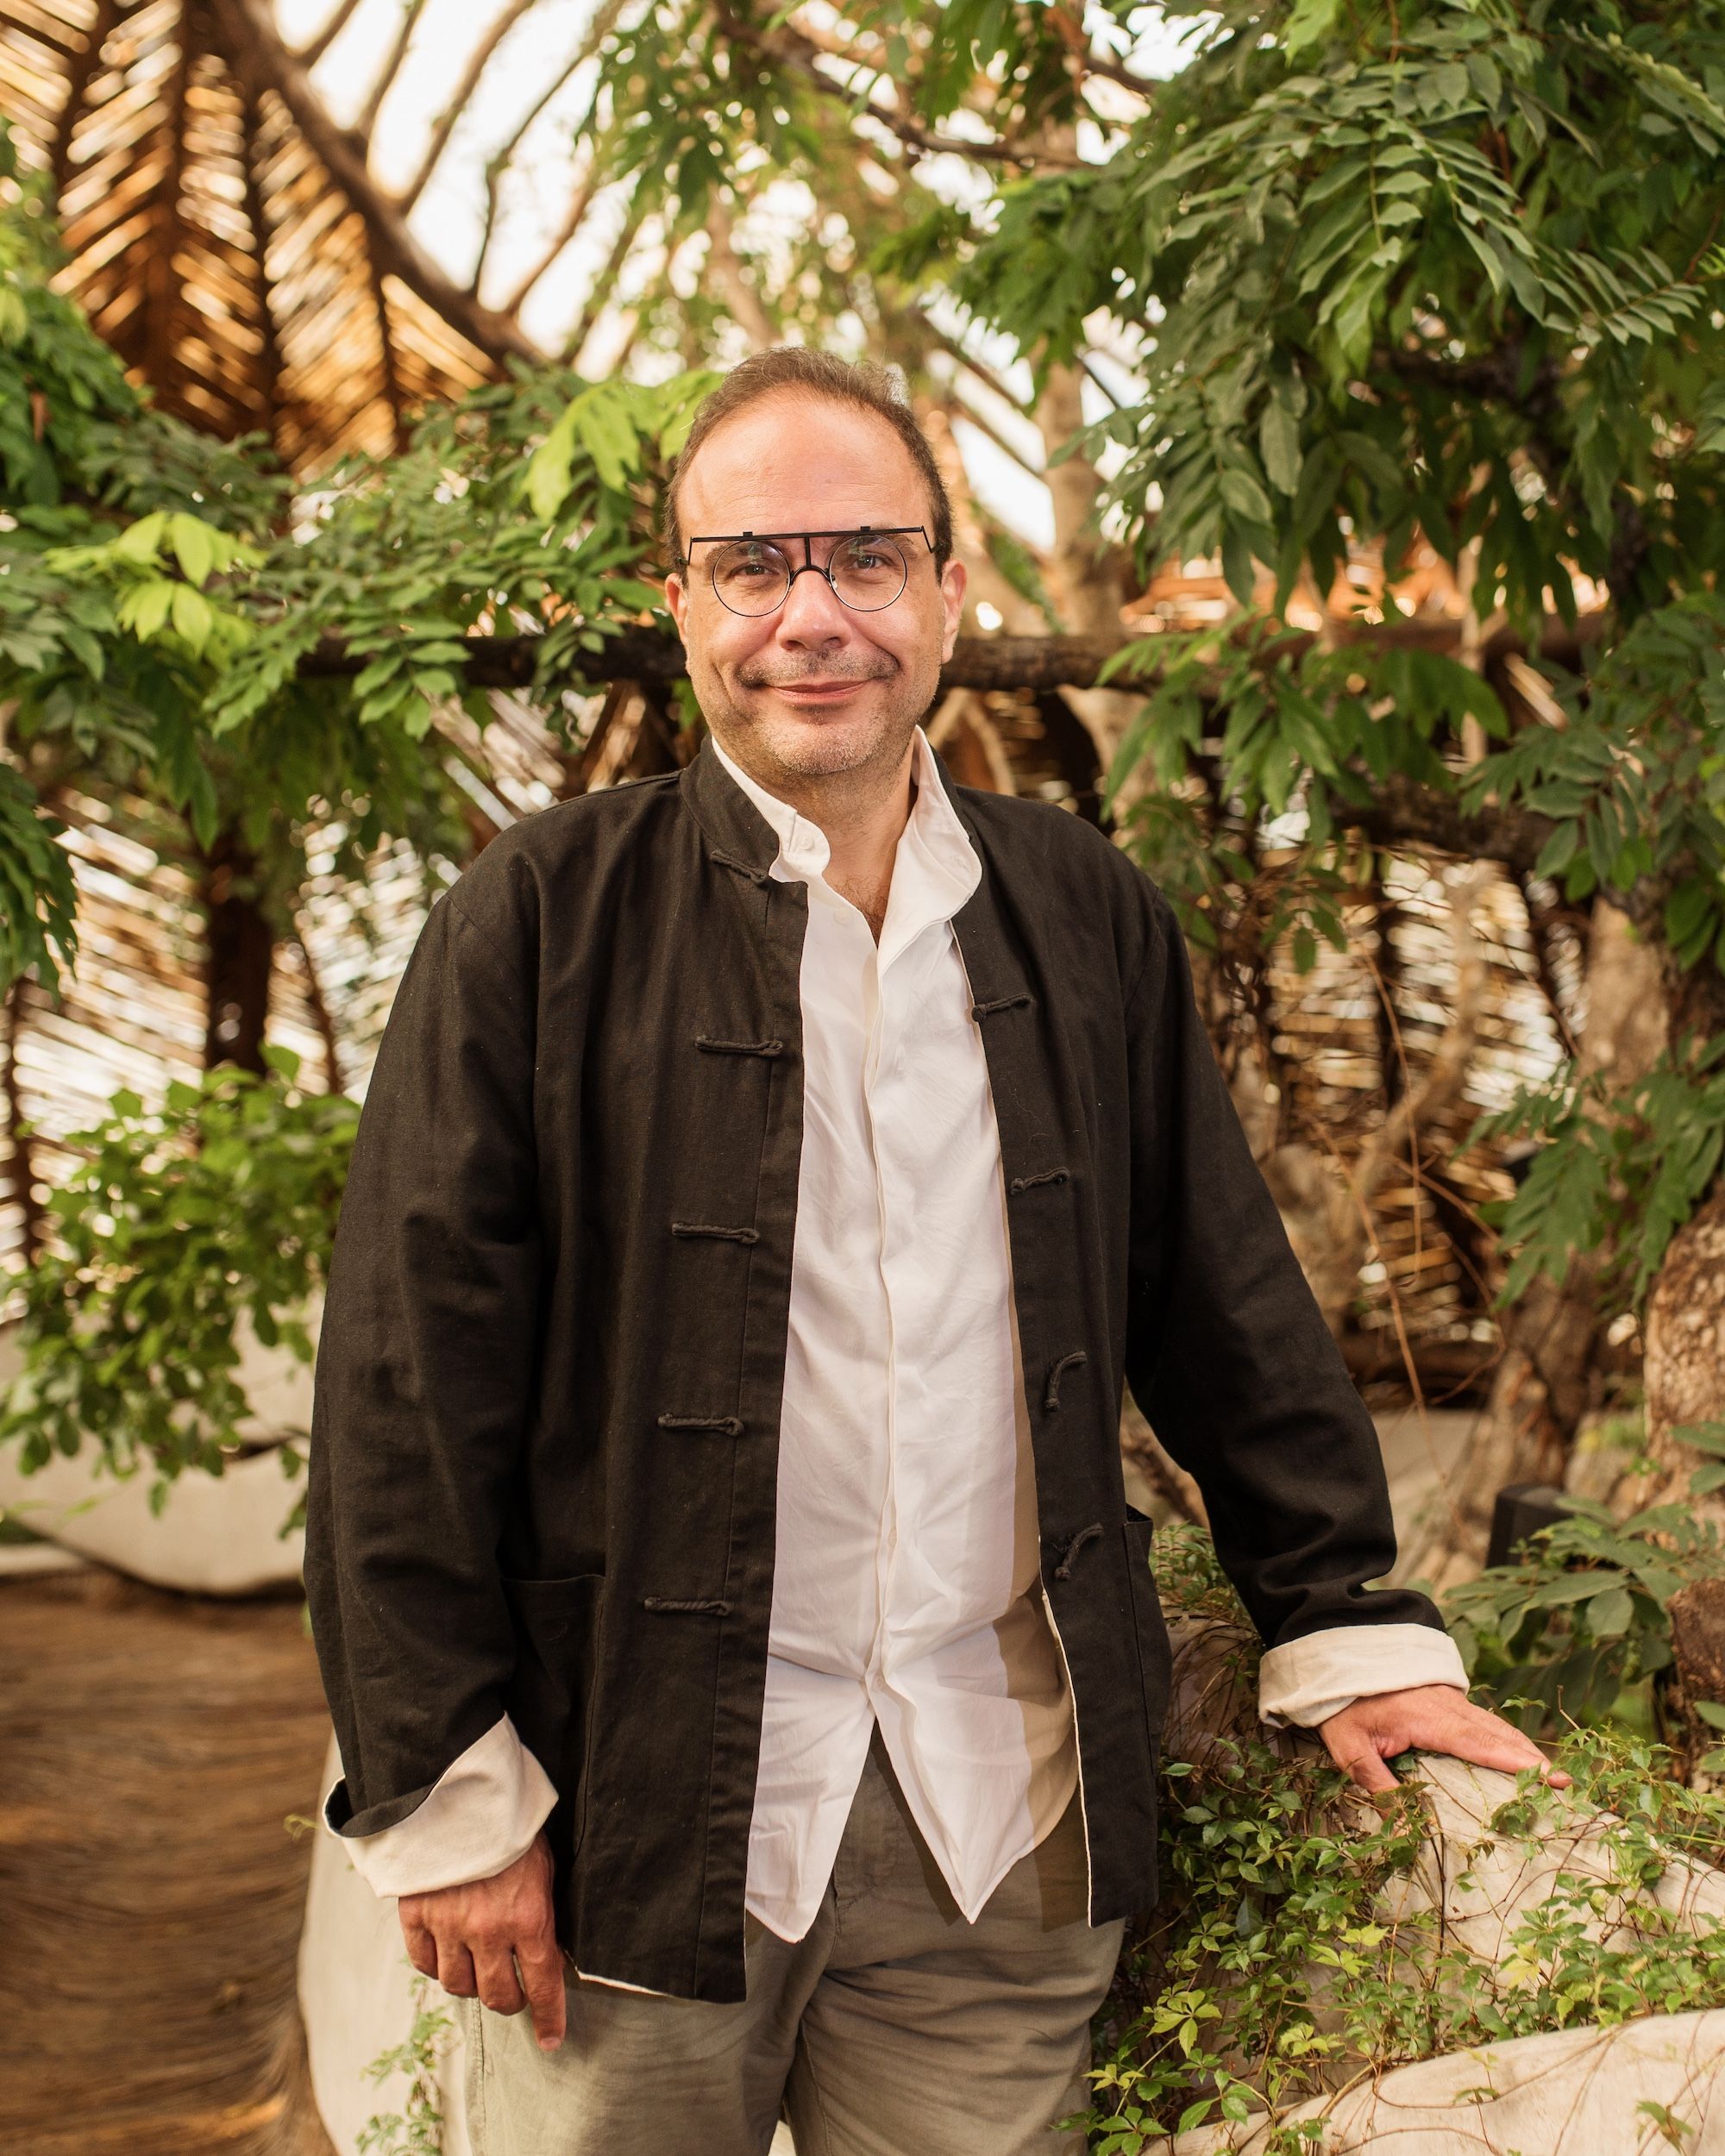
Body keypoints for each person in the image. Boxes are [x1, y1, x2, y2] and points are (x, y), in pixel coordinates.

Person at [304, 347, 1566, 2156]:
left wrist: (1350, 1620)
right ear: (681, 605)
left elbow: (1220, 1294)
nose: (812, 615)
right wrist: (443, 1789)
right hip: (640, 1808)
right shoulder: (540, 919)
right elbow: (404, 1385)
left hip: (1000, 1805)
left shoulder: (1080, 909)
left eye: (867, 558)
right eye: (754, 564)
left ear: (948, 594)